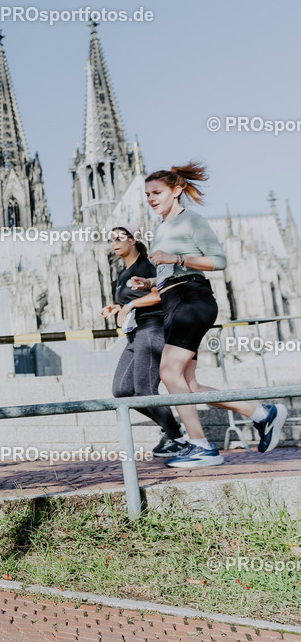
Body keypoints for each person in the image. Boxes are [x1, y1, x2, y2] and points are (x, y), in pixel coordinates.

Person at [130, 163, 287, 468]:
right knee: (189, 386)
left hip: (192, 300)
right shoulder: (161, 228)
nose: (150, 199)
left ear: (176, 191)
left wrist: (176, 257)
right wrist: (148, 283)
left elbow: (219, 261)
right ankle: (262, 414)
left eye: (156, 192)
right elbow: (171, 273)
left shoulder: (191, 220)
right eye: (147, 194)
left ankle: (201, 446)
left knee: (168, 373)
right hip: (173, 301)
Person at [101, 224, 187, 457]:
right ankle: (173, 429)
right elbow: (135, 299)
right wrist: (117, 307)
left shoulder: (147, 265)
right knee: (121, 390)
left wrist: (129, 305)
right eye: (111, 239)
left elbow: (161, 293)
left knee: (145, 391)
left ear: (134, 240)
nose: (114, 243)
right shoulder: (124, 273)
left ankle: (179, 440)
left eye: (119, 238)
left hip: (152, 330)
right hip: (135, 334)